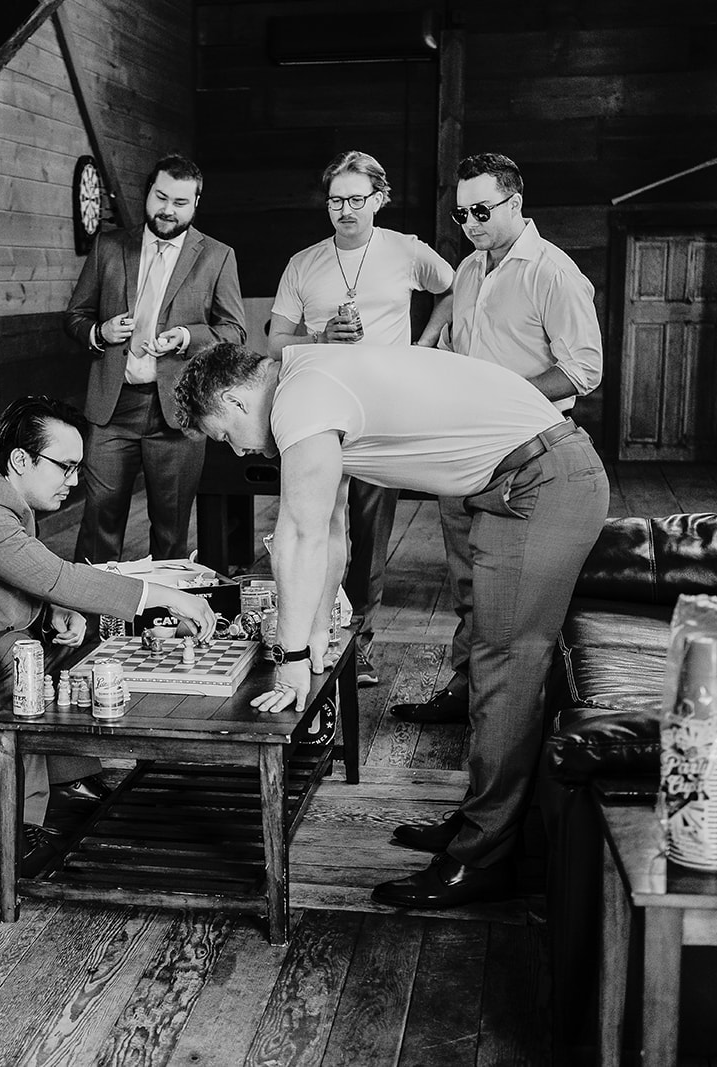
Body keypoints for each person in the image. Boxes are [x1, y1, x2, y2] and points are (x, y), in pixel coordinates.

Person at [172, 341, 608, 908]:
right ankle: (484, 824)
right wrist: (318, 639)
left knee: (506, 667)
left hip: (542, 480)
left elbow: (300, 539)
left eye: (224, 433)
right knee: (492, 662)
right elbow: (329, 531)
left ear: (233, 398)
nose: (234, 448)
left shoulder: (300, 399)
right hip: (522, 479)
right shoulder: (309, 379)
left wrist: (294, 661)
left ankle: (484, 859)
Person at [0, 396, 218, 870]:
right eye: (66, 467)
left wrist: (55, 605)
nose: (75, 482)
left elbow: (25, 568)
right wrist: (167, 595)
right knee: (24, 664)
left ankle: (68, 778)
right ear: (21, 460)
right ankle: (16, 836)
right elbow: (54, 574)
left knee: (38, 650)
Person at [391, 152, 603, 754]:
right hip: (463, 446)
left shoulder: (553, 272)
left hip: (526, 451)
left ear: (515, 201)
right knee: (462, 578)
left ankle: (496, 707)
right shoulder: (468, 269)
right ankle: (463, 690)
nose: (471, 223)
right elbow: (460, 335)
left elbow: (585, 369)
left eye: (482, 210)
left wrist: (503, 397)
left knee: (499, 589)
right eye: (462, 214)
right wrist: (429, 349)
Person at [267, 151, 454, 688]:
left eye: (356, 199)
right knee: (317, 523)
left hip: (381, 409)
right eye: (335, 201)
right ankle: (311, 630)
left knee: (370, 531)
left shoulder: (406, 250)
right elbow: (275, 340)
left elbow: (452, 288)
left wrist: (423, 345)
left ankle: (362, 641)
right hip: (320, 408)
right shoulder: (303, 263)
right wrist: (320, 338)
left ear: (379, 199)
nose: (345, 210)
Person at [63, 154, 247, 564]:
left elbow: (234, 332)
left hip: (179, 412)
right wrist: (99, 332)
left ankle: (158, 623)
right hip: (112, 407)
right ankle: (92, 626)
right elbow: (75, 316)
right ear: (148, 192)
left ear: (196, 204)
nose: (167, 210)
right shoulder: (109, 246)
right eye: (161, 197)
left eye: (180, 202)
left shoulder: (217, 256)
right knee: (99, 523)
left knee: (171, 529)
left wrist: (186, 337)